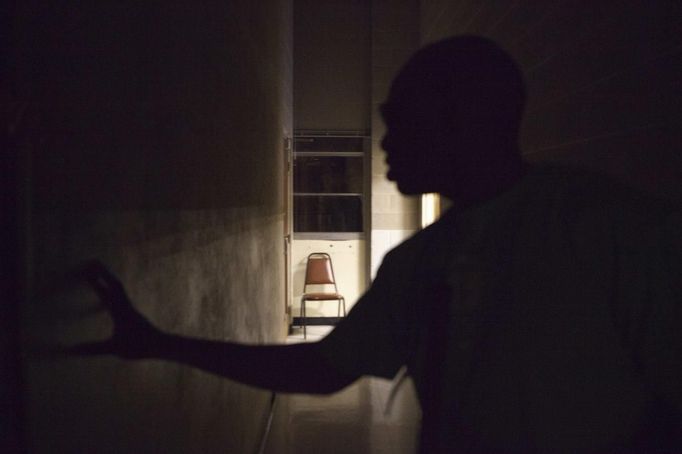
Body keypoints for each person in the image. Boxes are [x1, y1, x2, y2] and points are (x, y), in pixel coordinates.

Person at [73, 36, 681, 453]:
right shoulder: (418, 264)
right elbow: (321, 369)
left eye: (402, 118)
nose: (387, 141)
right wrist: (158, 343)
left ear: (463, 118)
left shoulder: (610, 230)